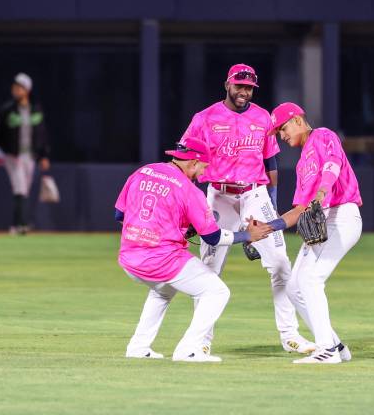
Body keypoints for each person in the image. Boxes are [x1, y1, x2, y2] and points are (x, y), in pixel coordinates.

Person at [179, 64, 315, 355]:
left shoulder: (263, 117)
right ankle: (200, 341)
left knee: (280, 264)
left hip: (256, 194)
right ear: (227, 84)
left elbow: (271, 163)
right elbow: (185, 159)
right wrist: (187, 204)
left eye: (249, 87)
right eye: (239, 85)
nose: (244, 91)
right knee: (208, 269)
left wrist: (273, 205)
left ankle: (290, 336)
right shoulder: (204, 118)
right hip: (219, 196)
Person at [116, 138, 272, 362]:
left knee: (162, 290)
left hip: (129, 258)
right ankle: (189, 349)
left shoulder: (143, 172)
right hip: (162, 259)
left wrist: (163, 229)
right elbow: (214, 237)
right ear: (193, 162)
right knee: (217, 292)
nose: (203, 174)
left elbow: (120, 216)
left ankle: (138, 347)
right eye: (203, 167)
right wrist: (248, 235)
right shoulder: (189, 191)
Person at [266, 102, 363, 364]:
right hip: (324, 218)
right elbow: (299, 209)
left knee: (310, 280)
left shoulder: (323, 135)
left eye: (282, 129)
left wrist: (321, 193)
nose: (281, 136)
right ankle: (335, 345)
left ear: (297, 120)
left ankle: (325, 351)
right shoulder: (300, 166)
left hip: (342, 215)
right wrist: (268, 228)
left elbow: (333, 165)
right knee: (295, 286)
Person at [0, 73, 49, 235]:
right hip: (13, 155)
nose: (16, 90)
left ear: (27, 90)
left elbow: (42, 134)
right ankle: (19, 225)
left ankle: (20, 223)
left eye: (19, 88)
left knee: (24, 189)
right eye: (15, 87)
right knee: (20, 187)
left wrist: (44, 155)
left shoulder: (36, 109)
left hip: (30, 156)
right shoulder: (7, 110)